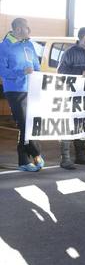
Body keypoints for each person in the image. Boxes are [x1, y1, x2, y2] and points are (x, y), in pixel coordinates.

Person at [0, 17, 45, 172]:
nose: (29, 31)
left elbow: (36, 66)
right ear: (18, 29)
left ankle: (23, 162)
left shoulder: (29, 44)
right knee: (25, 124)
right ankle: (36, 153)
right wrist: (21, 72)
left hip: (31, 89)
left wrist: (40, 79)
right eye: (27, 27)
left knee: (30, 124)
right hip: (15, 91)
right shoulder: (4, 47)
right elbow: (2, 71)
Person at [57, 26, 85, 169]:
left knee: (82, 125)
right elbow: (61, 72)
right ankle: (65, 159)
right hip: (71, 95)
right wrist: (81, 72)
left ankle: (81, 156)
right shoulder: (70, 52)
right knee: (68, 126)